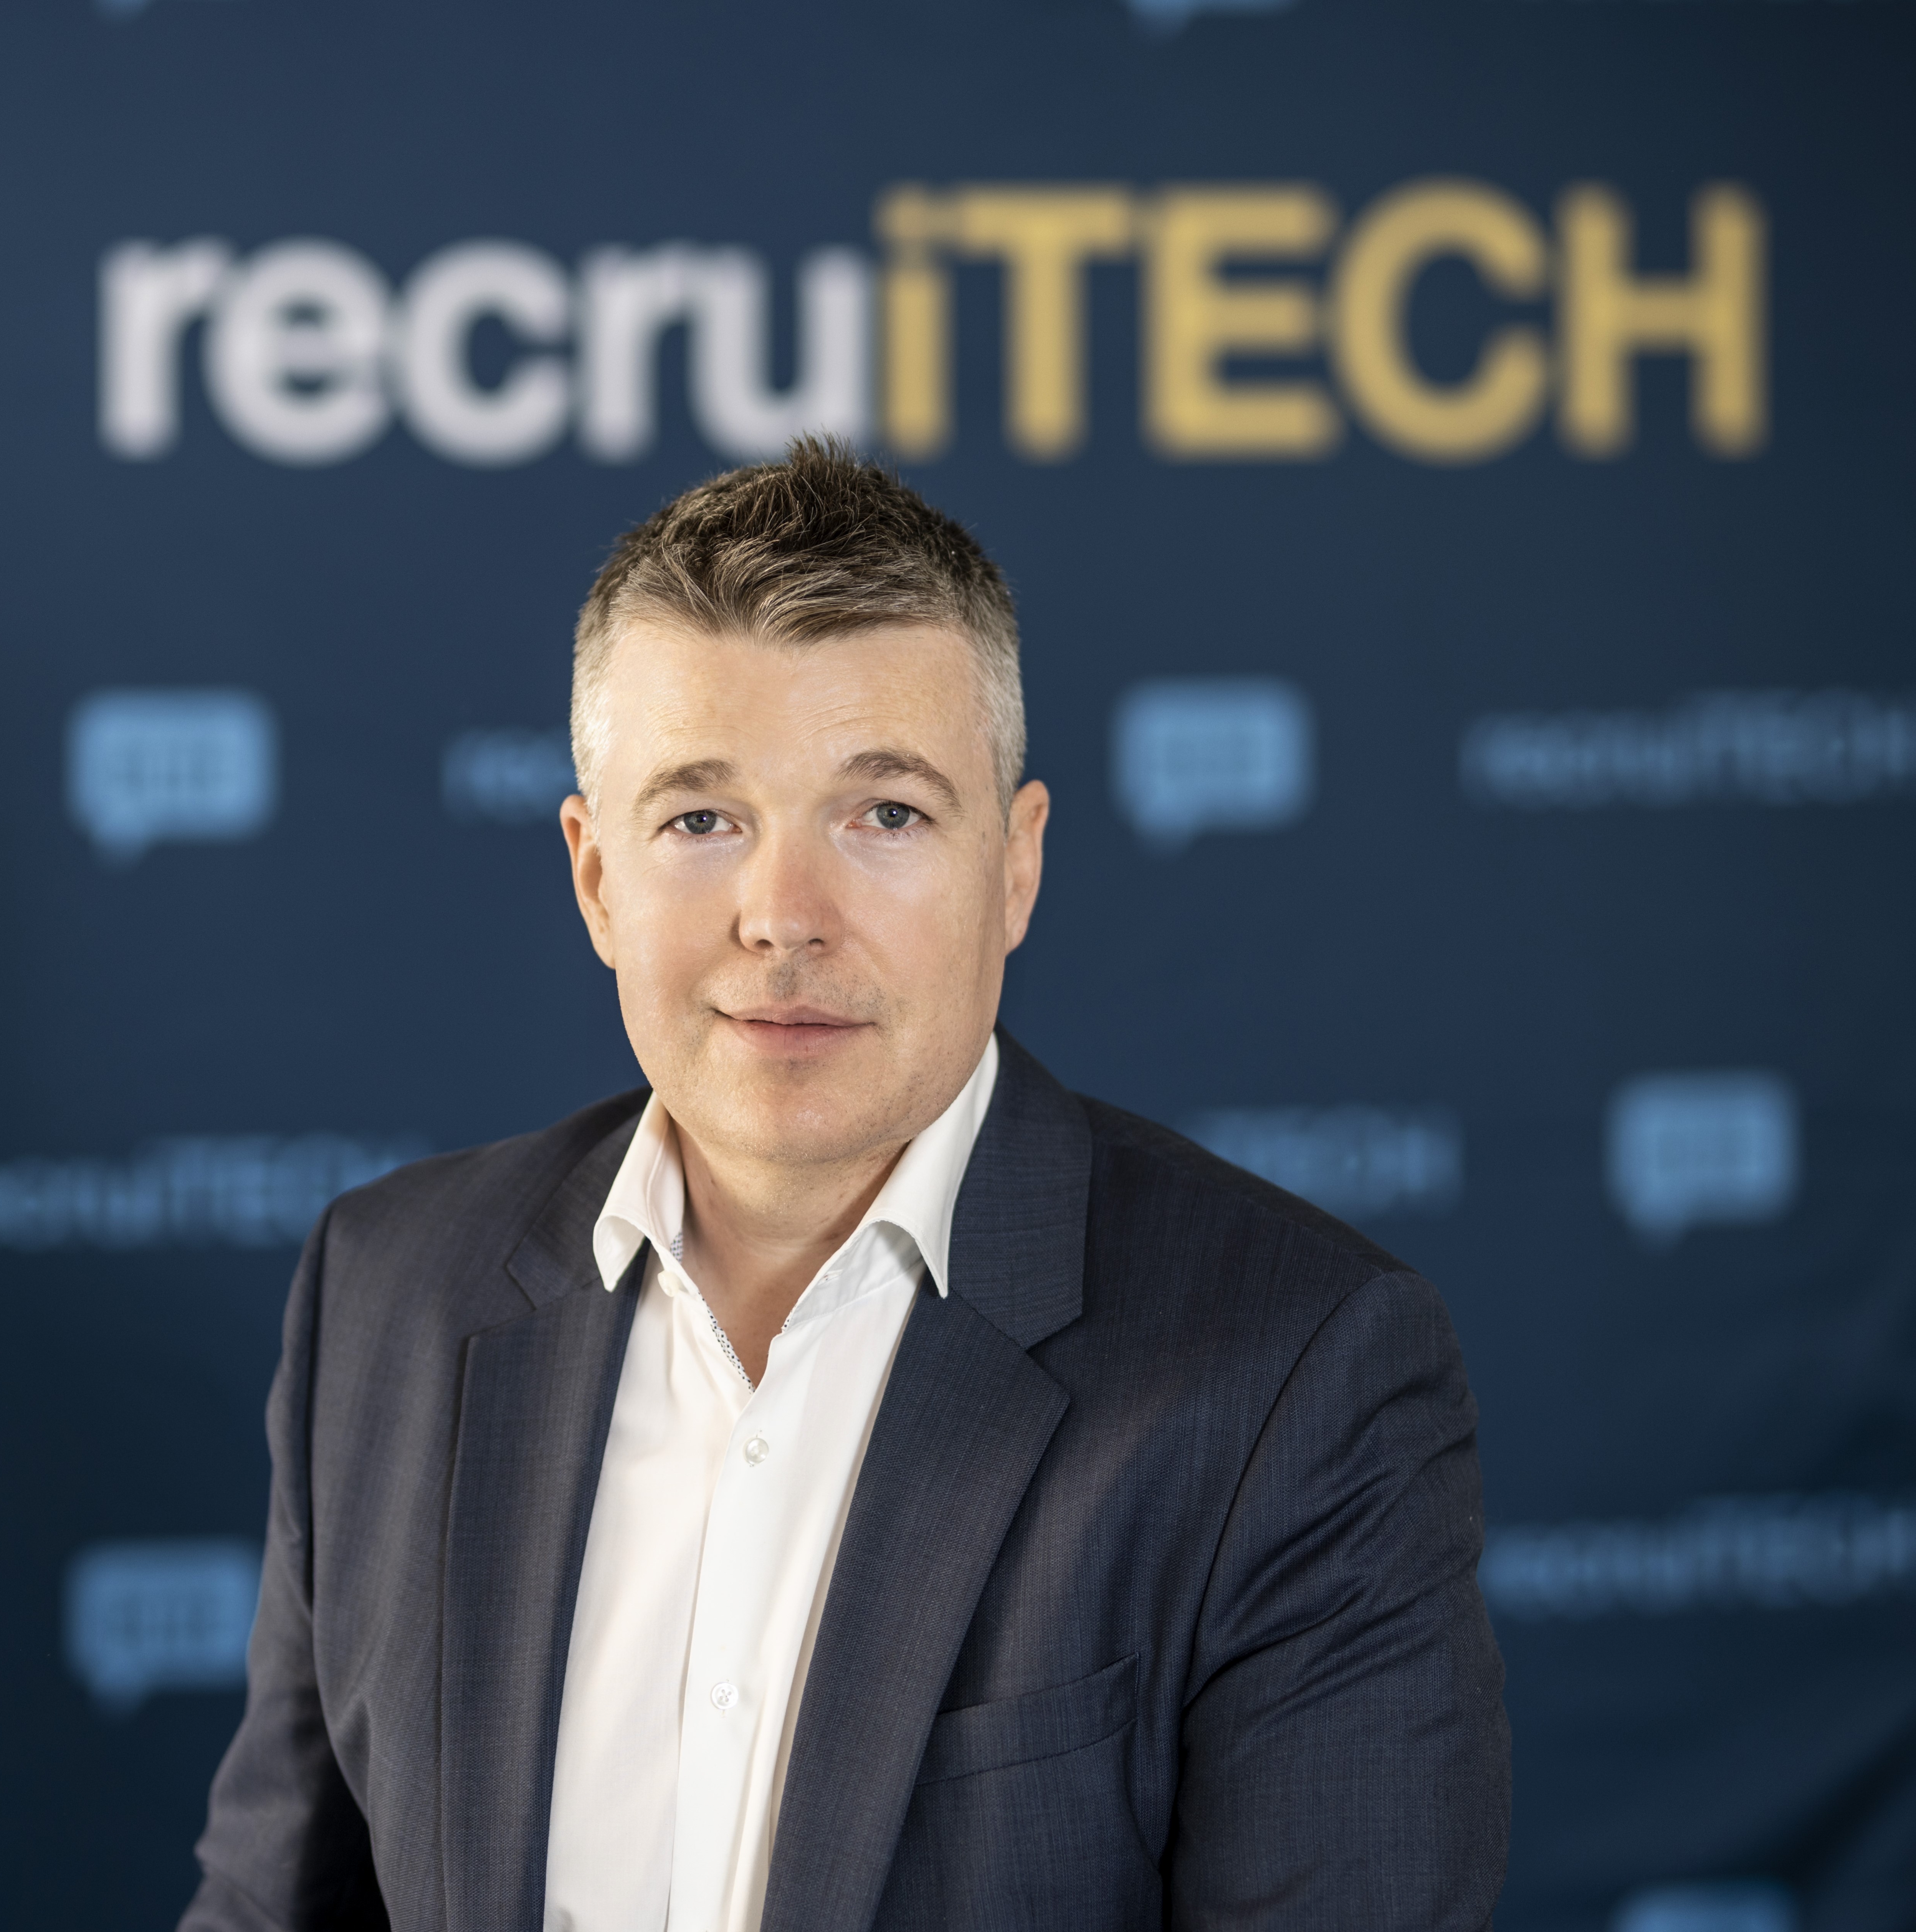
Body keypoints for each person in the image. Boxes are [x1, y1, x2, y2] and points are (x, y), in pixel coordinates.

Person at [179, 439, 1509, 1932]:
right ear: (596, 877)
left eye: (884, 813)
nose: (782, 917)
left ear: (1014, 868)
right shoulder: (387, 1291)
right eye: (700, 818)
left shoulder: (1295, 1370)